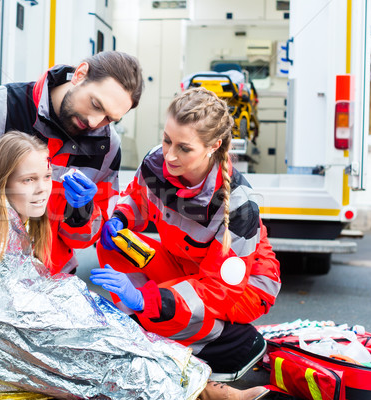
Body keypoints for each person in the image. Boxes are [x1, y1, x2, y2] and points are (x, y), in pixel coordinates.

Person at [0, 131, 268, 400]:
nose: (43, 187)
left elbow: (68, 250)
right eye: (28, 180)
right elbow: (1, 306)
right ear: (1, 181)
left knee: (110, 330)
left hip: (237, 289)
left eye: (46, 175)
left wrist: (84, 215)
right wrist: (78, 302)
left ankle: (199, 383)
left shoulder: (238, 208)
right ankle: (204, 387)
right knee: (102, 345)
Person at [0, 51, 143, 306]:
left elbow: (84, 238)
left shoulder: (107, 145)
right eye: (96, 104)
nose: (95, 122)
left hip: (49, 287)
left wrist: (81, 210)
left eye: (110, 118)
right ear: (80, 74)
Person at [92, 87, 282, 382]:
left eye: (184, 148)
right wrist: (120, 218)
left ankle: (235, 344)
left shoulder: (239, 208)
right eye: (167, 140)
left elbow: (219, 290)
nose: (169, 154)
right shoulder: (156, 164)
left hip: (244, 287)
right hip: (184, 263)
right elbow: (138, 199)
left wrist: (149, 300)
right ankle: (146, 321)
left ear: (213, 146)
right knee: (117, 244)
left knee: (161, 309)